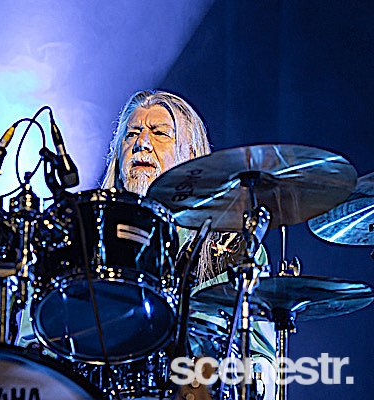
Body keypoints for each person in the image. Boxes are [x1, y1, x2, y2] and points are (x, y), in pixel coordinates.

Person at [101, 89, 276, 399]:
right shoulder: (92, 239)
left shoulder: (235, 249)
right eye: (131, 134)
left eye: (159, 133)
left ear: (192, 156)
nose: (142, 143)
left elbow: (263, 364)